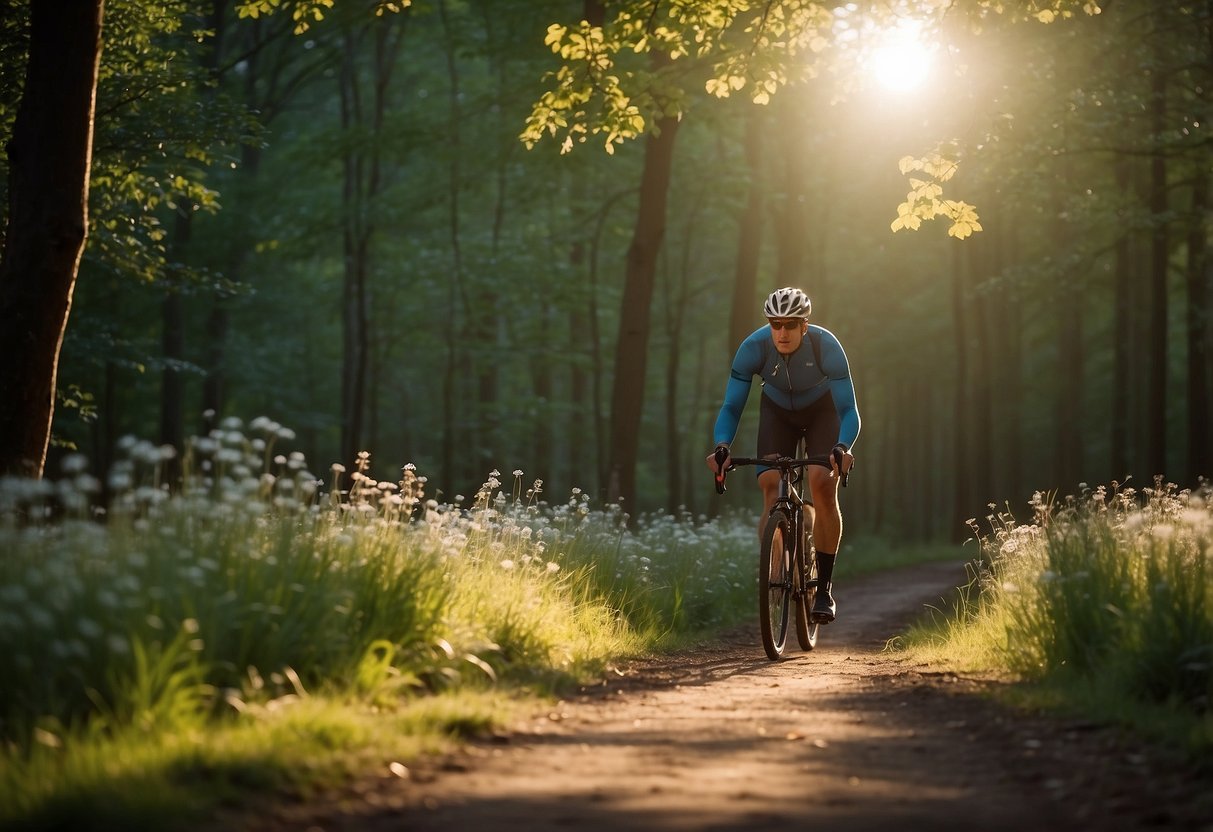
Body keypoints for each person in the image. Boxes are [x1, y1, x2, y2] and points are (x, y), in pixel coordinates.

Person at [706, 286, 859, 624]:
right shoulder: (753, 348)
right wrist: (722, 446)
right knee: (771, 482)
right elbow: (732, 406)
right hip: (777, 412)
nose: (783, 332)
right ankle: (776, 569)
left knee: (821, 482)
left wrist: (842, 446)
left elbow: (849, 410)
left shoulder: (826, 347)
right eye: (776, 324)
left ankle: (823, 590)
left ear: (804, 326)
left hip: (823, 412)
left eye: (791, 324)